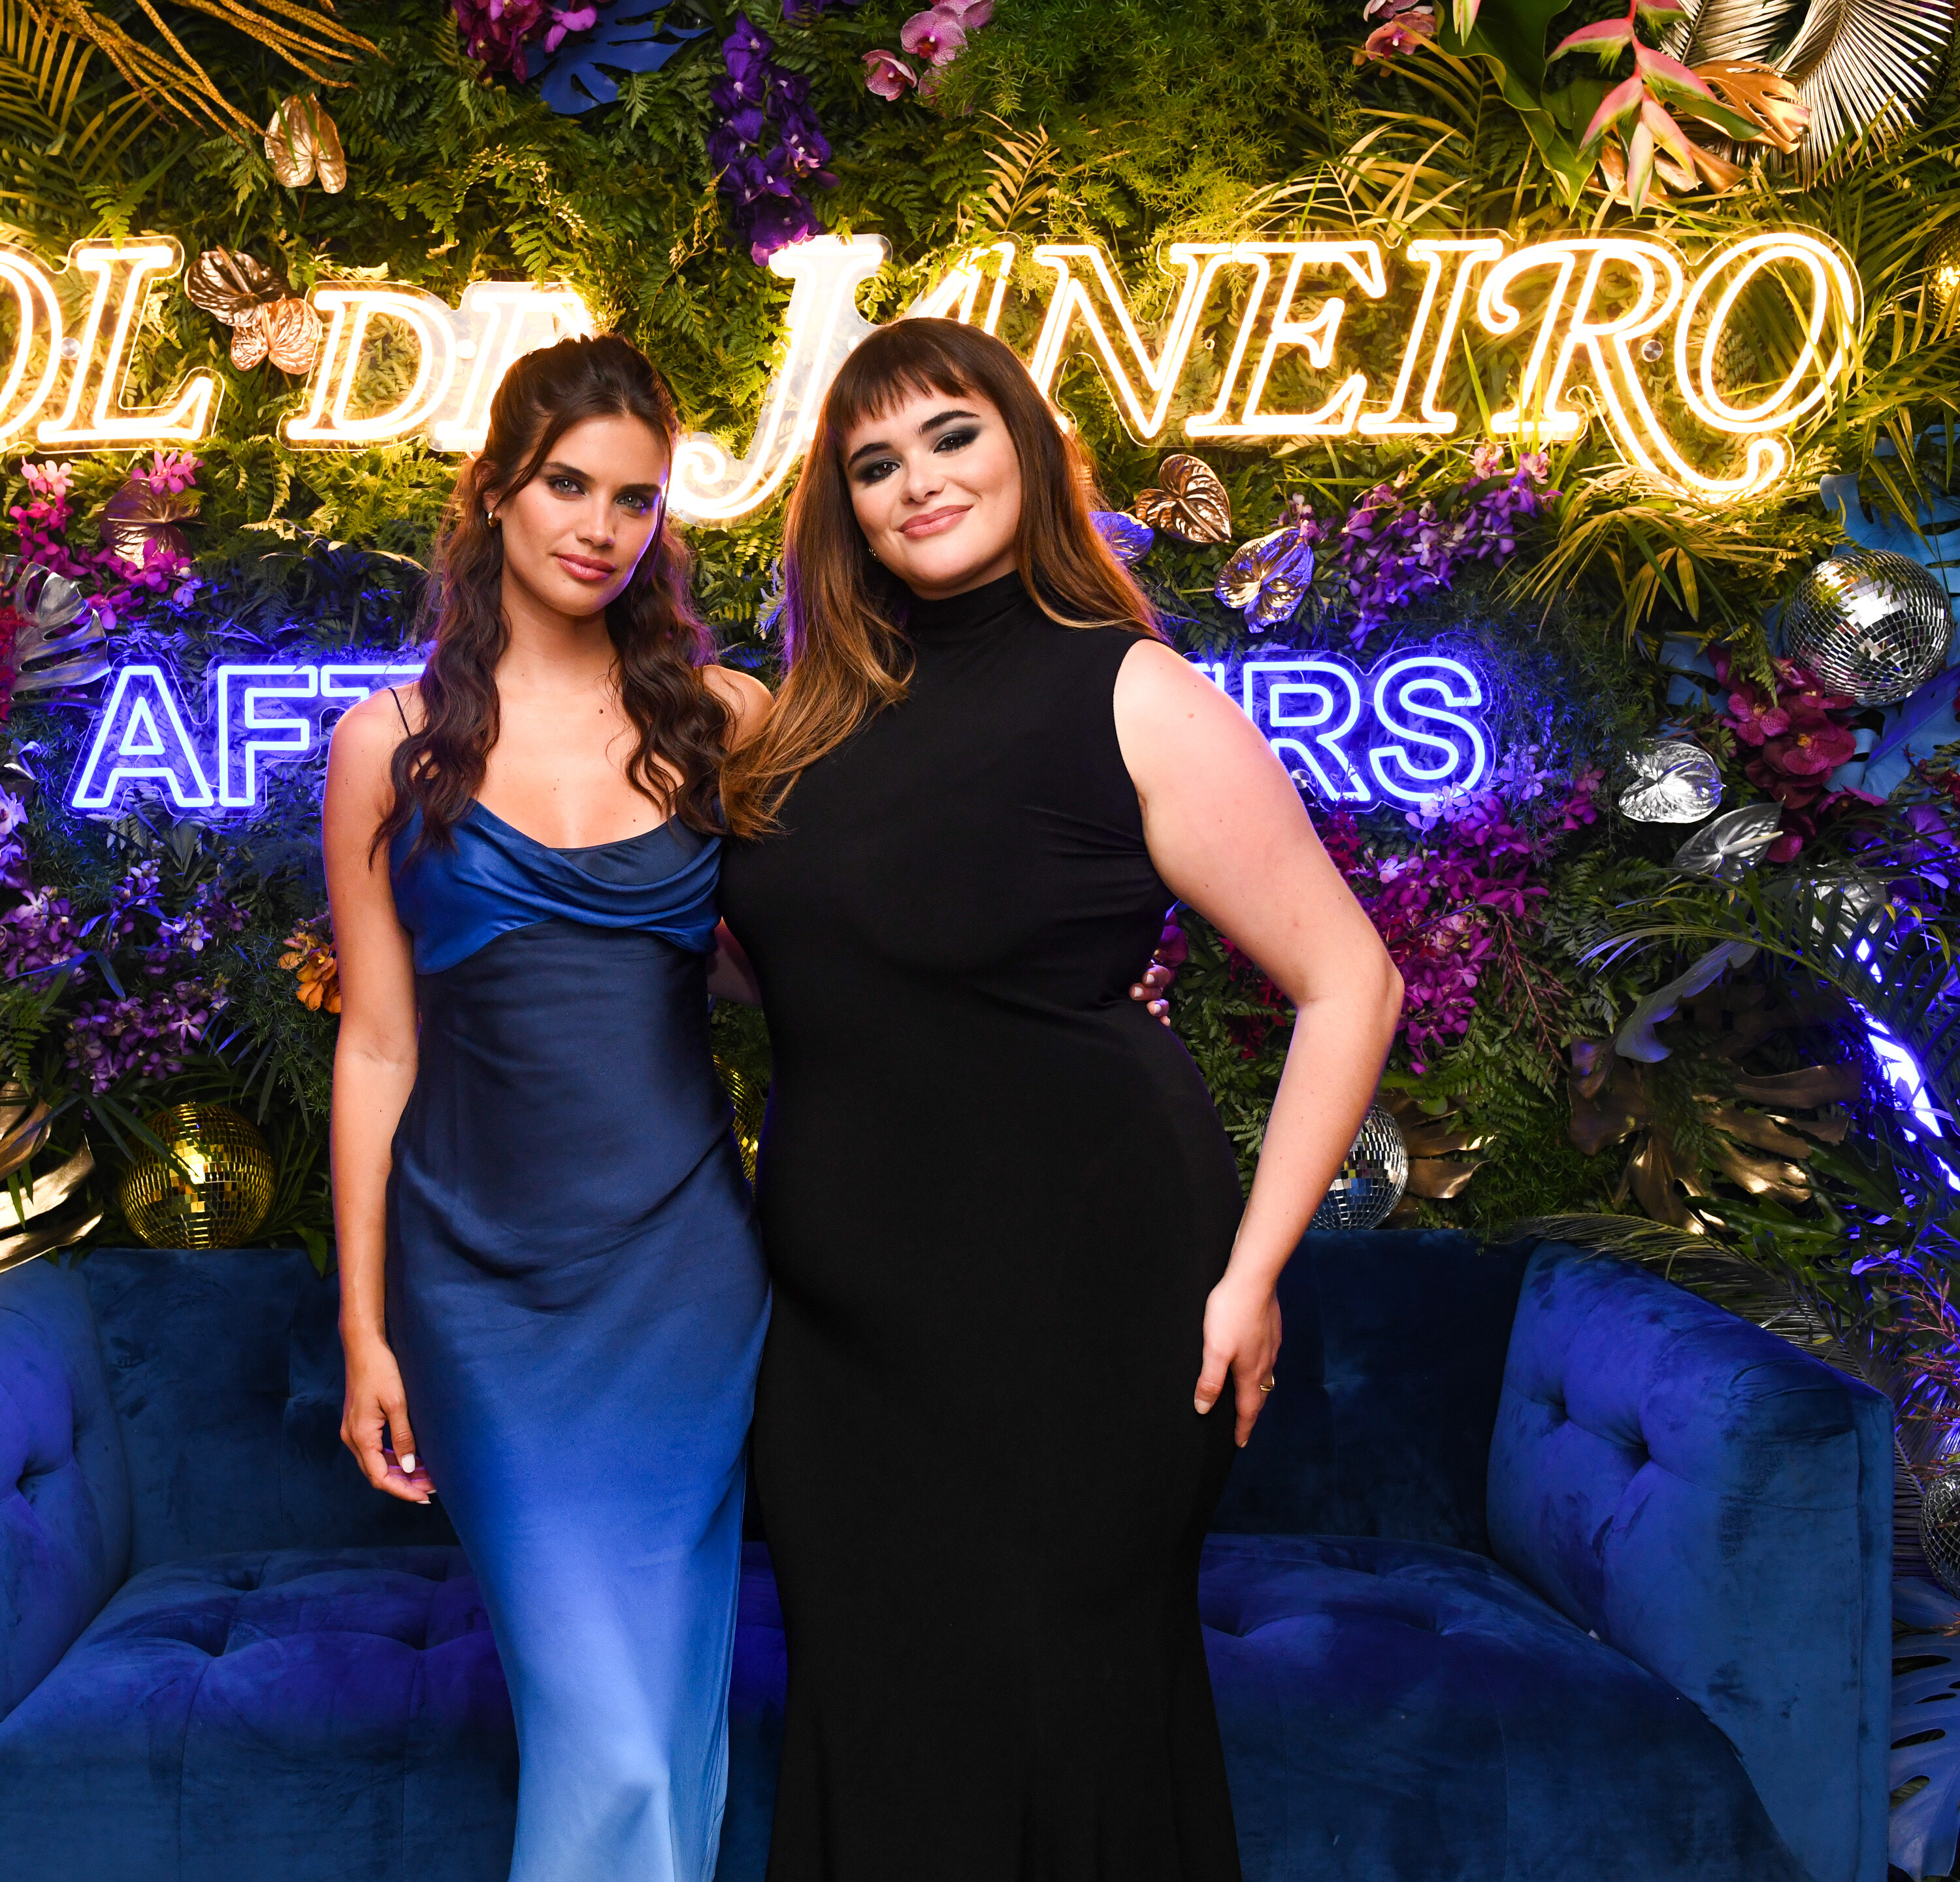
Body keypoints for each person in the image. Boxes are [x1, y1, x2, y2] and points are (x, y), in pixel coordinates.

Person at [716, 318, 1403, 1880]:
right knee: (873, 1720)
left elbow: (1352, 982)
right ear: (843, 509)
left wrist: (1249, 1275)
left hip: (1083, 1306)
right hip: (838, 1342)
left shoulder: (1132, 691)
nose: (918, 480)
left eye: (952, 435)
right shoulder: (809, 720)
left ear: (1027, 448)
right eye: (874, 462)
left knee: (1061, 1717)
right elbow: (825, 970)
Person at [323, 334, 773, 1882]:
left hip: (684, 1280)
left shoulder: (725, 719)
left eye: (636, 500)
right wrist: (365, 1331)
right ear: (498, 490)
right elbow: (377, 1048)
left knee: (659, 1710)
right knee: (610, 1728)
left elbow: (822, 964)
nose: (601, 526)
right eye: (570, 485)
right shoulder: (388, 746)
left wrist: (1052, 985)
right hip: (478, 1295)